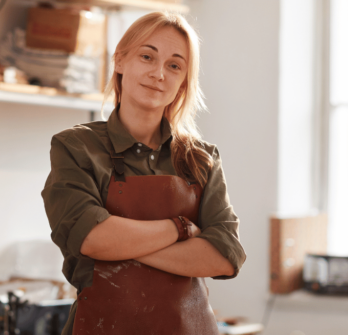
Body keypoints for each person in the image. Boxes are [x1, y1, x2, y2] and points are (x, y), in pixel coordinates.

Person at [41, 11, 246, 335]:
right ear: (120, 61)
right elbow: (91, 237)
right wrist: (180, 228)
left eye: (174, 65)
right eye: (147, 56)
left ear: (183, 81)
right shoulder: (75, 147)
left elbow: (224, 255)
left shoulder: (202, 159)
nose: (158, 73)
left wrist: (121, 246)